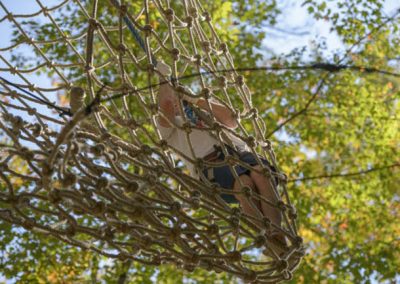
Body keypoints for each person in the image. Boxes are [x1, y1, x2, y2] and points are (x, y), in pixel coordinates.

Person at [155, 61, 286, 250]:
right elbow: (165, 105)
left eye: (177, 96)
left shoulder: (203, 113)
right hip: (211, 166)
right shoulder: (170, 127)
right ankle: (267, 238)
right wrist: (163, 80)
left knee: (261, 173)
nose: (175, 100)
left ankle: (277, 231)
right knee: (244, 186)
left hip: (239, 153)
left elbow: (231, 118)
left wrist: (193, 99)